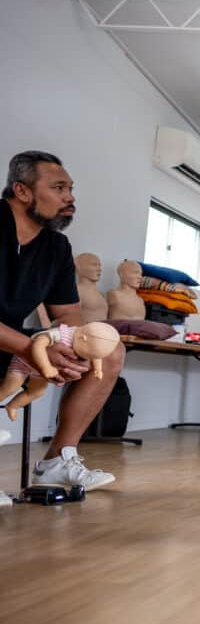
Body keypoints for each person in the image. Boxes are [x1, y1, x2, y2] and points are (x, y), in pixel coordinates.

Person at [1, 151, 124, 490]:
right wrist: (33, 350)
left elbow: (69, 318)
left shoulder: (56, 246)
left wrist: (65, 350)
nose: (69, 198)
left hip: (12, 341)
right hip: (15, 342)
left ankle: (57, 460)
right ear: (22, 191)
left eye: (70, 189)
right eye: (58, 188)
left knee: (107, 350)